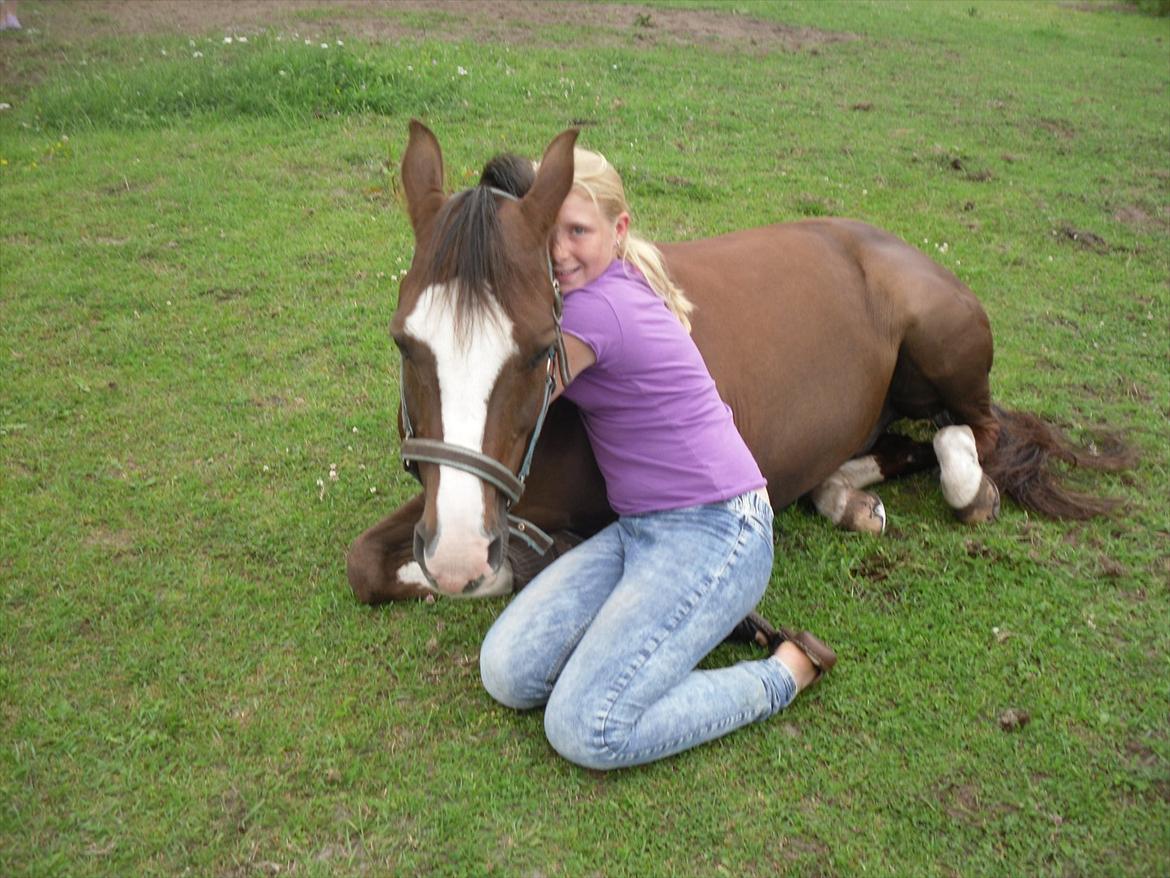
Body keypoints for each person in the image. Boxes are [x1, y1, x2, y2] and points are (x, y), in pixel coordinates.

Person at [479, 145, 838, 770]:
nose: (559, 250)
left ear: (618, 231)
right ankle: (679, 628)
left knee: (584, 728)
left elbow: (508, 391)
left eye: (578, 231)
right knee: (505, 671)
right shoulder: (602, 282)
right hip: (641, 531)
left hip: (719, 530)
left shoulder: (597, 312)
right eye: (548, 231)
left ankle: (783, 674)